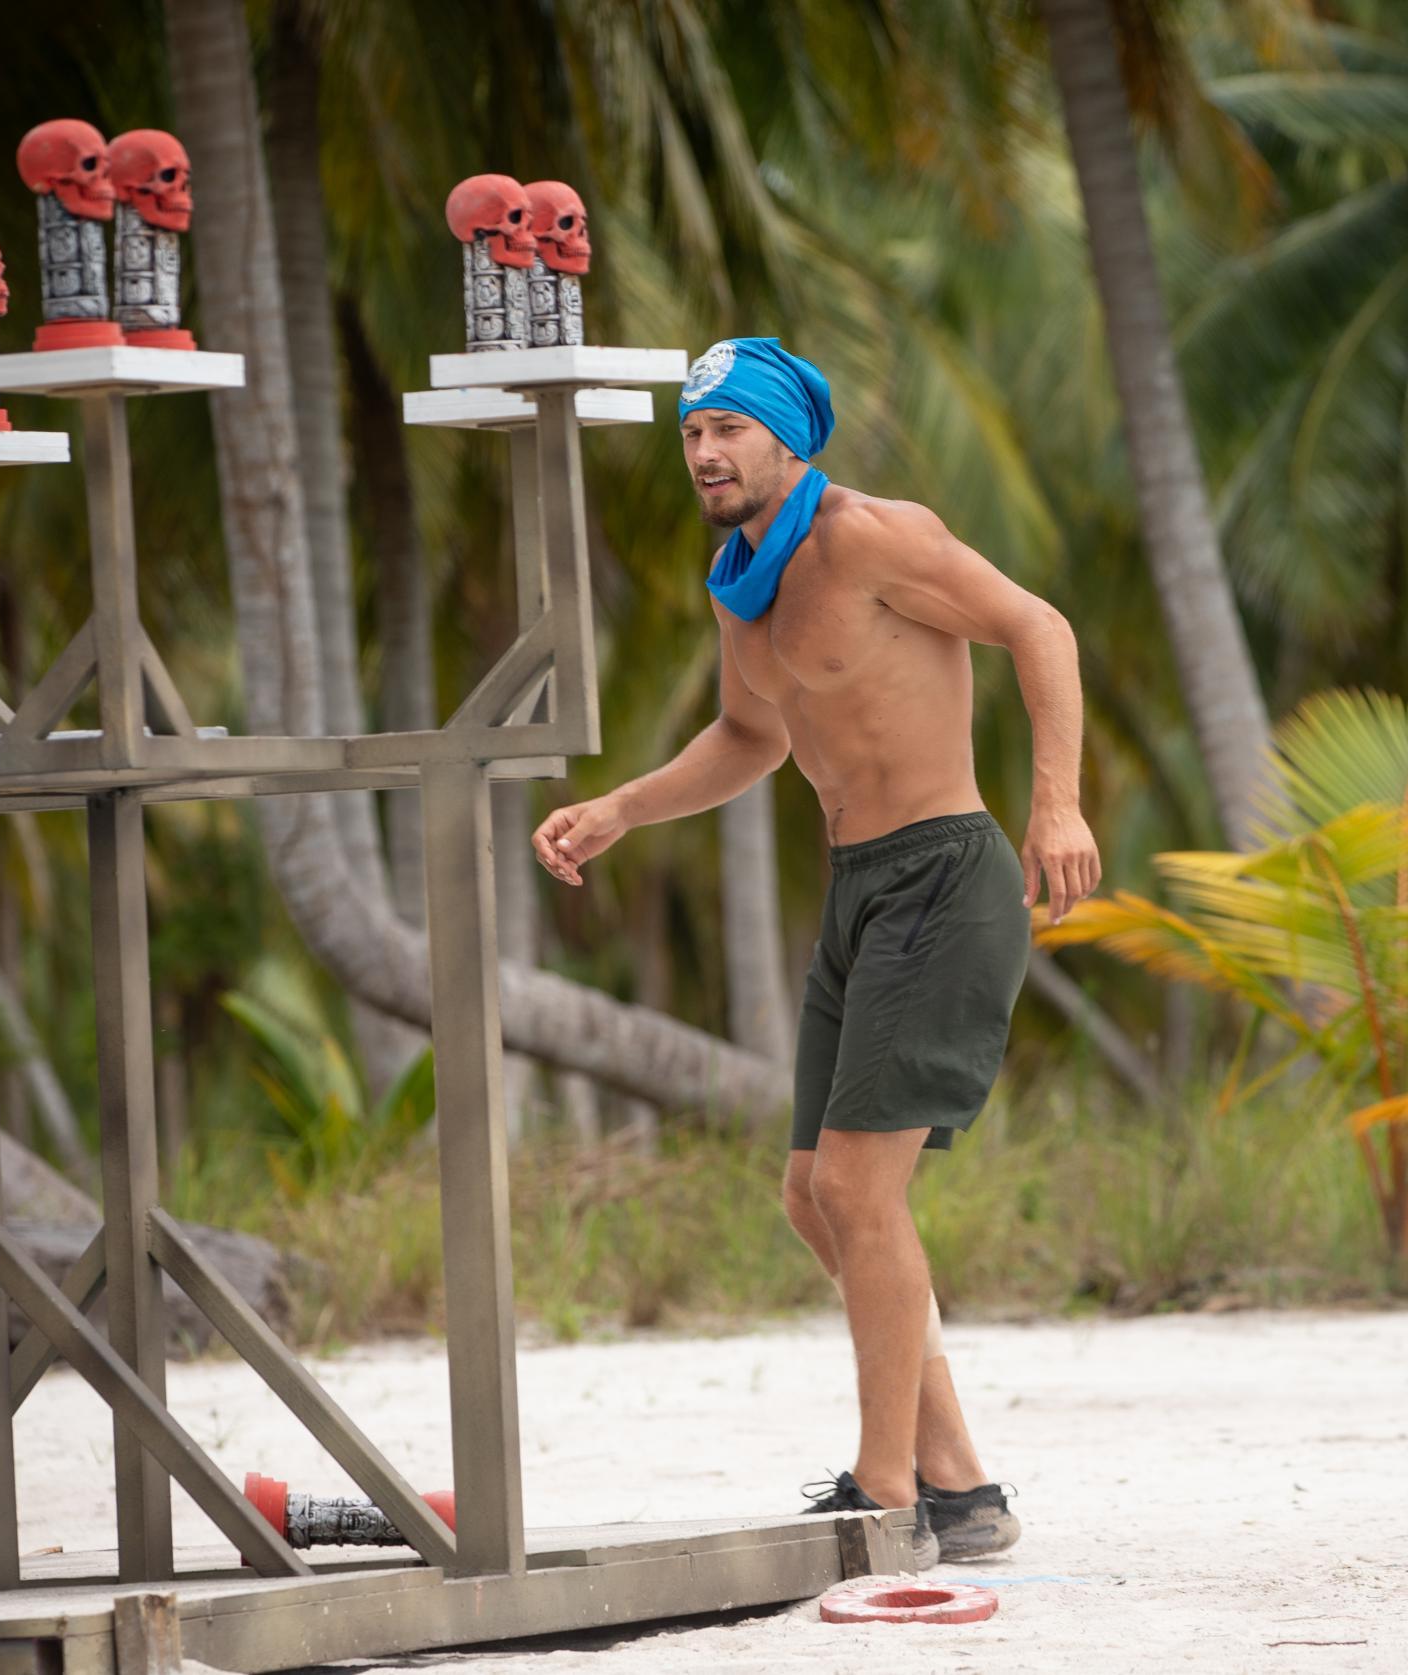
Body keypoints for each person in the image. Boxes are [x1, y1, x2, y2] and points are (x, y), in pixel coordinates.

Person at [531, 337, 1099, 1570]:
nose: (705, 452)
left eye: (728, 429)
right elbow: (750, 738)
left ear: (787, 437)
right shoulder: (740, 583)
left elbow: (1039, 627)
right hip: (858, 893)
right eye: (691, 433)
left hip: (945, 875)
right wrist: (622, 805)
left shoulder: (873, 538)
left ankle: (885, 1494)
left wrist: (1057, 804)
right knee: (812, 1195)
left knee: (856, 1191)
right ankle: (960, 1483)